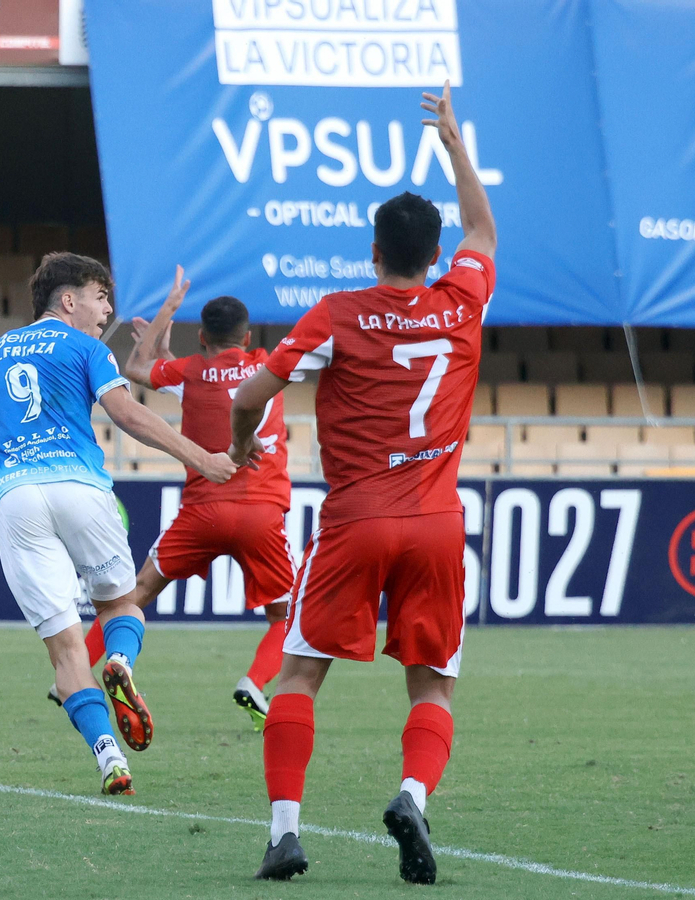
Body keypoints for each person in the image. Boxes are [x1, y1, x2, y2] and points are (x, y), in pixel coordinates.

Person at [232, 82, 497, 884]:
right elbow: (483, 228)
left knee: (300, 673)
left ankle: (285, 834)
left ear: (374, 251)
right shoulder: (462, 300)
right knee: (433, 683)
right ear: (434, 252)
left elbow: (251, 393)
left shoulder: (341, 313)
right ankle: (414, 794)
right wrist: (454, 146)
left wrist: (245, 443)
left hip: (355, 521)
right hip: (437, 523)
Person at [0, 252, 240, 794]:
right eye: (101, 298)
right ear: (69, 300)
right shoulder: (86, 348)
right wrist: (200, 457)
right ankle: (121, 659)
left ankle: (109, 759)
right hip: (78, 487)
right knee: (123, 606)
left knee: (65, 650)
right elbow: (128, 413)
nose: (107, 312)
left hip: (16, 500)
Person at [79, 270, 295, 731]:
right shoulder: (268, 362)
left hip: (202, 513)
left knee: (133, 595)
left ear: (200, 337)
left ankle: (74, 672)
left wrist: (167, 310)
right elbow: (229, 386)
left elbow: (137, 368)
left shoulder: (193, 372)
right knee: (285, 616)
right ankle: (254, 683)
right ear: (249, 336)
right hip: (261, 512)